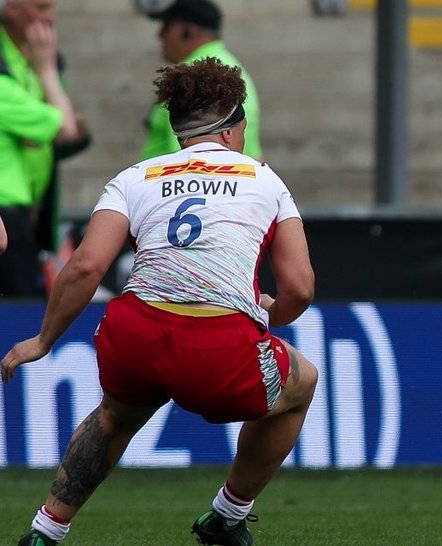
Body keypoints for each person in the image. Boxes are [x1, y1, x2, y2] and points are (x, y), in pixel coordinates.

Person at [2, 58, 317, 546]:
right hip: (221, 347)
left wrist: (43, 340)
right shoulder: (265, 181)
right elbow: (299, 288)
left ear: (180, 133)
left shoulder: (136, 177)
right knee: (304, 382)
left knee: (113, 417)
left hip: (136, 336)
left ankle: (46, 530)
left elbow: (86, 266)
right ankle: (228, 516)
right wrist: (266, 313)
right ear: (234, 130)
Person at [0, 0, 84, 297]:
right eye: (41, 7)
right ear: (11, 8)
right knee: (19, 315)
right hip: (7, 214)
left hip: (26, 214)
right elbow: (66, 127)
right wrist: (47, 70)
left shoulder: (22, 64)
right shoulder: (7, 76)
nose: (49, 17)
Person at [143, 0, 262, 160]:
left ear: (188, 31)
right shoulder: (230, 69)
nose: (159, 34)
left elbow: (187, 154)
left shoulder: (193, 78)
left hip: (180, 181)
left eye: (166, 26)